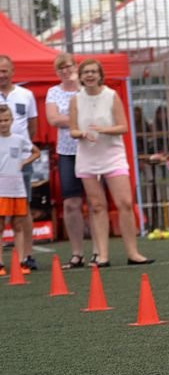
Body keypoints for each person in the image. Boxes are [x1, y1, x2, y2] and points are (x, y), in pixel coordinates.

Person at [68, 59, 153, 267]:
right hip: (87, 156)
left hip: (112, 154)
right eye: (86, 72)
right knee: (97, 206)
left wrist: (104, 130)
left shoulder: (111, 96)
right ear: (80, 76)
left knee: (124, 203)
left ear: (100, 75)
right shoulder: (76, 100)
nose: (89, 75)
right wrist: (83, 133)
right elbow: (72, 130)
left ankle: (133, 252)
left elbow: (123, 126)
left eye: (93, 72)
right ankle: (102, 255)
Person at [45, 53, 97, 268]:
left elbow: (96, 115)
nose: (66, 71)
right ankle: (77, 252)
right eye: (61, 68)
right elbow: (53, 119)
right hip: (67, 151)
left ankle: (98, 251)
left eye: (69, 66)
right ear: (57, 72)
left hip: (91, 149)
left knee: (95, 201)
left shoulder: (86, 89)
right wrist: (78, 121)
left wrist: (71, 120)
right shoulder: (53, 92)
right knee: (71, 202)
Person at [0, 54, 38, 271]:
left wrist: (23, 154)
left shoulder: (26, 95)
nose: (1, 75)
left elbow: (32, 126)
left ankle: (27, 256)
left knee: (24, 210)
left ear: (12, 71)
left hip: (19, 161)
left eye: (5, 70)